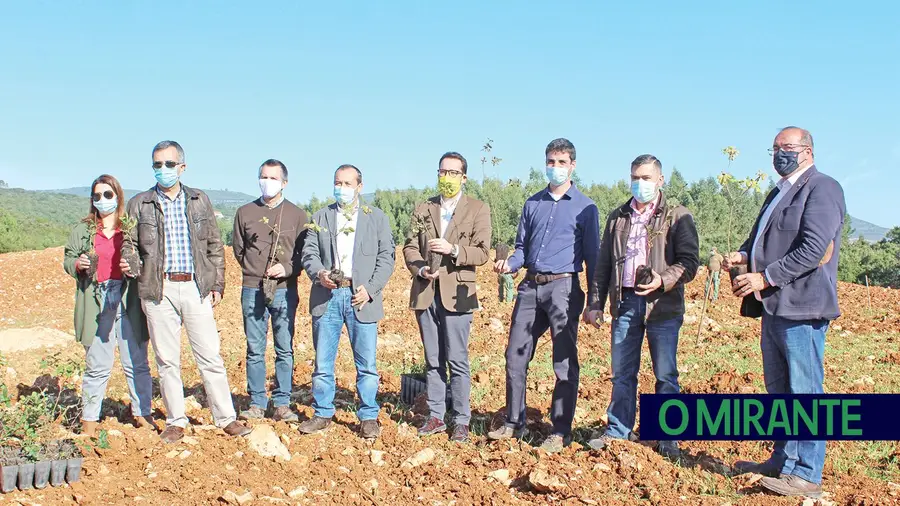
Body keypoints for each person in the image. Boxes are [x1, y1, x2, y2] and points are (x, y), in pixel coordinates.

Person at [724, 127, 845, 499]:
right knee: (780, 390)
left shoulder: (822, 188)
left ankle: (807, 473)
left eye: (786, 148)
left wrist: (765, 277)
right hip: (775, 307)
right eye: (774, 148)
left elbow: (813, 248)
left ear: (806, 151)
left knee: (806, 393)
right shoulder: (777, 192)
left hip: (802, 307)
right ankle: (783, 460)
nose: (778, 154)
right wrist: (743, 256)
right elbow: (761, 238)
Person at [121, 140, 251, 444]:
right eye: (157, 164)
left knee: (210, 356)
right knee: (167, 360)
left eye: (168, 164)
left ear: (182, 167)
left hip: (195, 286)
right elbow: (129, 243)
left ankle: (226, 418)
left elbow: (214, 245)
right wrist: (131, 263)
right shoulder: (140, 204)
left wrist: (217, 283)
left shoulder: (198, 200)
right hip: (158, 290)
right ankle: (176, 420)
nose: (162, 170)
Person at [487, 138, 600, 453]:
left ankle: (560, 430)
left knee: (563, 361)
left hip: (564, 287)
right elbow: (522, 248)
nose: (555, 167)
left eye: (561, 162)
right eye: (551, 161)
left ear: (572, 166)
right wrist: (510, 263)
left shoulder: (586, 208)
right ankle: (514, 421)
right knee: (515, 356)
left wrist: (594, 300)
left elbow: (593, 256)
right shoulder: (532, 204)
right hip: (529, 286)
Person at [585, 154, 699, 459]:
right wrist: (595, 302)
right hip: (624, 302)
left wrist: (662, 280)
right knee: (622, 373)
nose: (640, 183)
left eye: (646, 178)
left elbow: (689, 262)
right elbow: (604, 265)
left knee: (665, 374)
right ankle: (618, 432)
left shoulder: (676, 215)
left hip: (662, 305)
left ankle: (667, 438)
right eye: (635, 177)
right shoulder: (618, 216)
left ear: (660, 180)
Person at [299, 164, 395, 439]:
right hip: (327, 295)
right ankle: (323, 412)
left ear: (359, 187)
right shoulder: (321, 217)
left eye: (347, 183)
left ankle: (368, 416)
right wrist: (319, 274)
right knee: (323, 362)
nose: (341, 188)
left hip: (361, 298)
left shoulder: (376, 218)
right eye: (337, 183)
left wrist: (371, 289)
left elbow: (387, 258)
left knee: (366, 364)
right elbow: (309, 253)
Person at [403, 152, 492, 443]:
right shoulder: (423, 208)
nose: (448, 177)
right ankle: (436, 416)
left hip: (459, 293)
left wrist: (453, 250)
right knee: (433, 359)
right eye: (443, 171)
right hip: (427, 292)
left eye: (454, 173)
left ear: (464, 177)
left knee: (458, 359)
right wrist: (420, 269)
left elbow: (482, 252)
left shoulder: (477, 209)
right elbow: (409, 247)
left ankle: (463, 420)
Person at [63, 174, 156, 436]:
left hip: (127, 298)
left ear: (118, 196)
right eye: (97, 195)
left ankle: (142, 414)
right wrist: (77, 264)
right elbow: (68, 259)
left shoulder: (130, 228)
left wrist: (135, 266)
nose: (102, 200)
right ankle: (89, 422)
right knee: (97, 364)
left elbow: (148, 258)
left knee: (136, 361)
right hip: (97, 298)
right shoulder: (83, 230)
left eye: (107, 194)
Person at [232, 159, 308, 422]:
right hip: (252, 288)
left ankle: (282, 403)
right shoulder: (245, 212)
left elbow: (303, 255)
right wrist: (255, 270)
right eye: (264, 177)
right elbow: (238, 249)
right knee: (254, 348)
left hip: (285, 290)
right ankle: (256, 402)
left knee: (284, 347)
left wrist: (286, 268)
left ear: (284, 183)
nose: (268, 182)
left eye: (273, 178)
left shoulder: (297, 216)